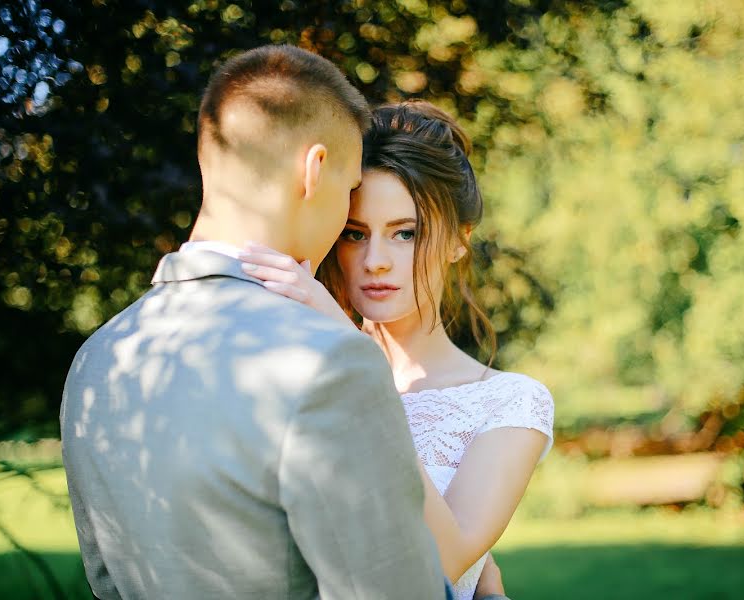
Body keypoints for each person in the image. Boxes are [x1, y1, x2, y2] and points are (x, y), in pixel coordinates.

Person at [60, 46, 455, 599]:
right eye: (348, 192)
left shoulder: (100, 356)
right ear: (314, 170)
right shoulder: (329, 361)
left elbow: (108, 582)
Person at [239, 101, 555, 600]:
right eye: (355, 234)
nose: (376, 262)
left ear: (458, 241)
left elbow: (442, 563)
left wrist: (353, 360)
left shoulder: (511, 403)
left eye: (405, 233)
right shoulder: (292, 372)